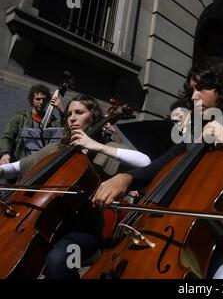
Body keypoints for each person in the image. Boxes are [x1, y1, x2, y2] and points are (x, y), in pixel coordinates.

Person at [92, 56, 223, 279]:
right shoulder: (192, 138)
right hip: (180, 239)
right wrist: (125, 178)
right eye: (192, 90)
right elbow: (156, 170)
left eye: (201, 88)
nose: (194, 97)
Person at [0, 94, 151, 278]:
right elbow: (15, 168)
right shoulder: (56, 149)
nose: (71, 117)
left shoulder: (107, 150)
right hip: (43, 223)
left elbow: (146, 162)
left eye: (79, 112)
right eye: (69, 113)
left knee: (58, 261)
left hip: (84, 230)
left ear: (93, 117)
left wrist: (97, 146)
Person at [0, 84, 64, 165]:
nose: (41, 102)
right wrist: (5, 154)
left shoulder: (53, 123)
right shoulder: (20, 118)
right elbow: (6, 138)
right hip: (20, 163)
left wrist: (62, 110)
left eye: (44, 99)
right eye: (38, 99)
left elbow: (66, 130)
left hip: (40, 165)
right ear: (32, 100)